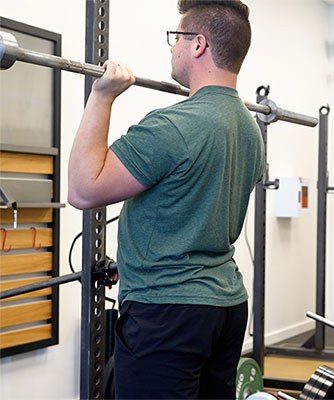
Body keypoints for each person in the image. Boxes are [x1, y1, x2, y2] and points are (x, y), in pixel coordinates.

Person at [68, 1, 263, 398]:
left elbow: (83, 190)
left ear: (198, 45)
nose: (172, 48)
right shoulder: (249, 129)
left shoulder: (175, 124)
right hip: (225, 307)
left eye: (177, 38)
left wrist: (101, 97)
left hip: (168, 312)